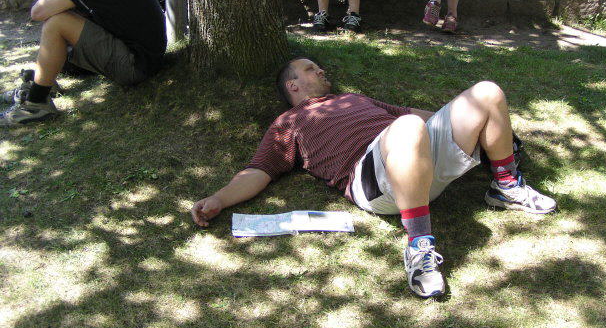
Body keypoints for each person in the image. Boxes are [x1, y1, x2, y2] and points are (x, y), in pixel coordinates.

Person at [191, 58, 556, 298]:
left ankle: (506, 185)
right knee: (408, 127)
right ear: (293, 86)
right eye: (310, 69)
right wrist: (219, 199)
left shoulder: (353, 98)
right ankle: (419, 245)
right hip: (374, 180)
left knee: (486, 93)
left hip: (418, 153)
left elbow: (420, 115)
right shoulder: (288, 123)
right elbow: (259, 170)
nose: (321, 71)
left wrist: (483, 127)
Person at [0, 0, 166, 127]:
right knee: (61, 11)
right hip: (140, 58)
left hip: (136, 66)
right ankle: (41, 83)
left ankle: (37, 103)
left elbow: (38, 12)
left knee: (56, 21)